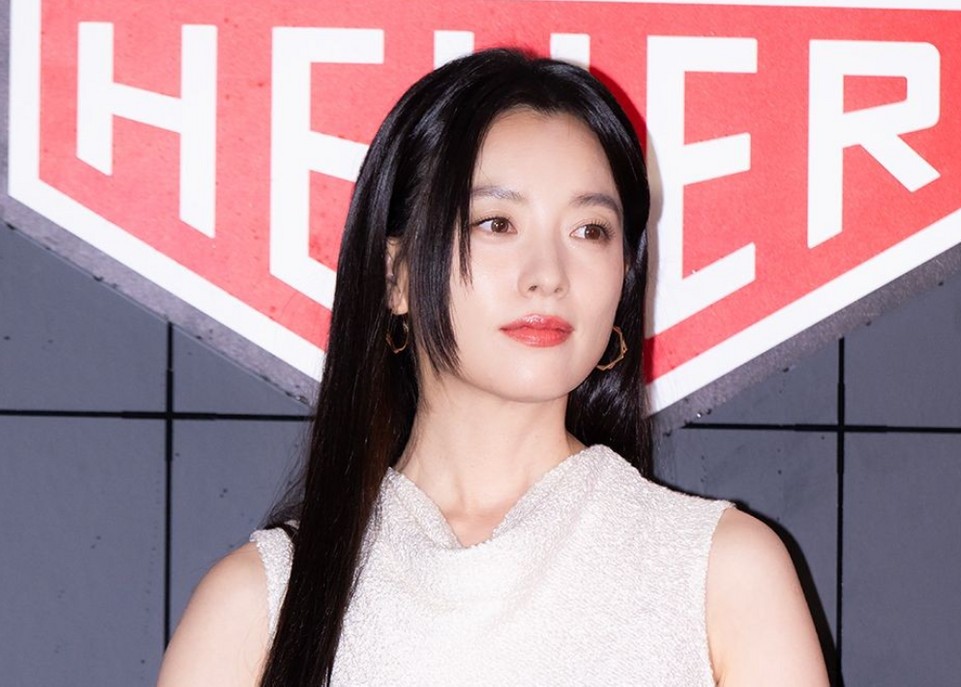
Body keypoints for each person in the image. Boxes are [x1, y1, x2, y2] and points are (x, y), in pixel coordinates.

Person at [157, 48, 829, 686]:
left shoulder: (721, 573)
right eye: (497, 223)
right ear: (395, 276)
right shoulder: (258, 603)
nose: (548, 274)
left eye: (590, 231)